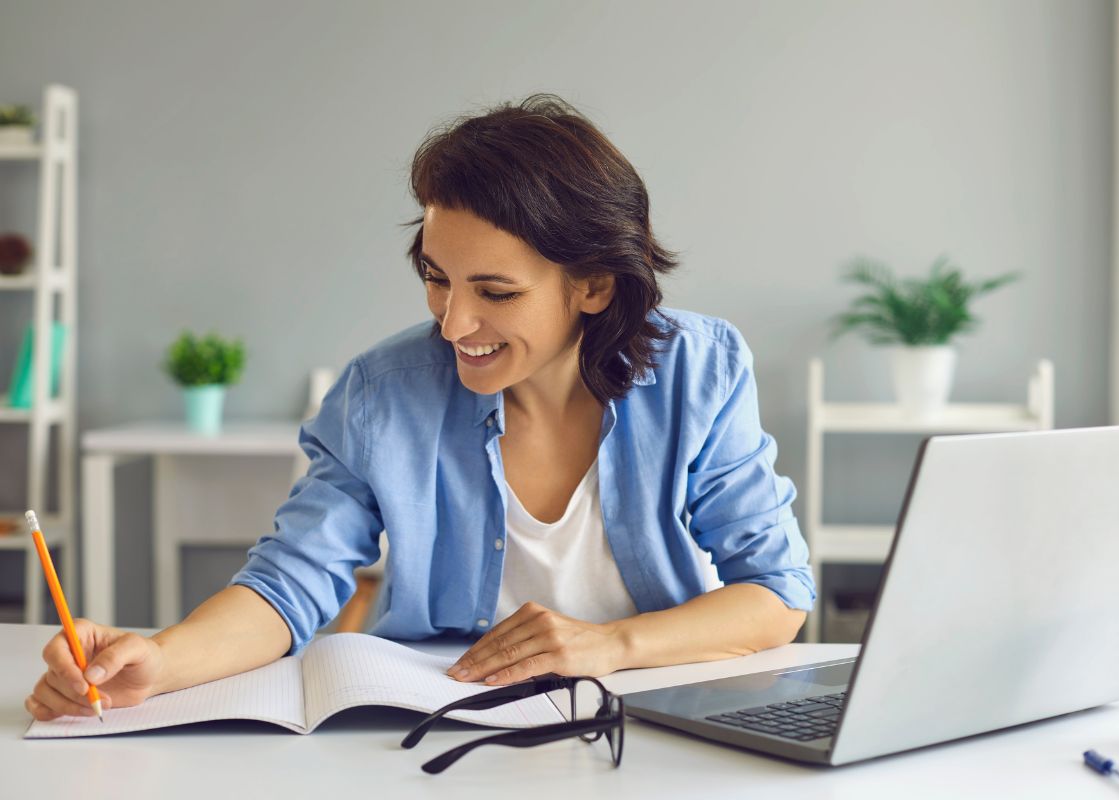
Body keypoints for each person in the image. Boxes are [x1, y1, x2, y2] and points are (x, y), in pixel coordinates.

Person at [25, 94, 815, 722]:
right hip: (435, 726)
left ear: (594, 285)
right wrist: (159, 661)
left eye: (494, 292)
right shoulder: (384, 391)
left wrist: (607, 645)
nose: (452, 323)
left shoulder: (696, 369)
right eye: (437, 276)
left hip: (644, 720)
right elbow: (289, 584)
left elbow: (779, 594)